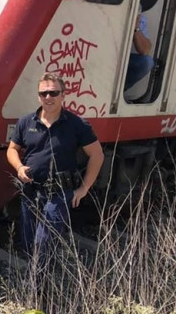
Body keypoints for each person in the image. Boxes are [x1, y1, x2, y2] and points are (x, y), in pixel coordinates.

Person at [6, 72, 104, 257]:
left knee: (43, 243)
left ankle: (38, 284)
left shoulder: (77, 124)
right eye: (44, 93)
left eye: (53, 93)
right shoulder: (26, 122)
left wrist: (84, 189)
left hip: (59, 192)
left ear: (63, 95)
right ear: (38, 96)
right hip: (30, 190)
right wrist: (19, 167)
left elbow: (97, 155)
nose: (48, 97)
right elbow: (12, 149)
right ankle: (34, 281)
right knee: (28, 242)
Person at [125, 7, 155, 90]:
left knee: (147, 62)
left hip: (121, 57)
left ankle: (117, 92)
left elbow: (145, 50)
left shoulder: (140, 17)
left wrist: (135, 27)